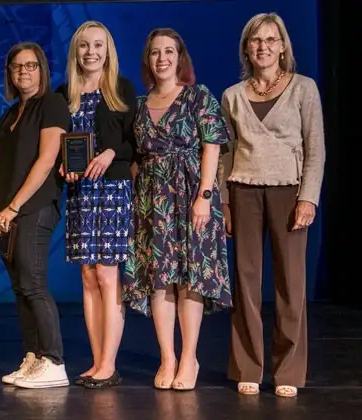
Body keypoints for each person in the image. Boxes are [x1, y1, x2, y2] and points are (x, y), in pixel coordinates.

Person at [220, 12, 325, 398]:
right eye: (255, 40)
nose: (262, 46)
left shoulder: (303, 89)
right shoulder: (232, 95)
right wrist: (225, 204)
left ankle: (289, 372)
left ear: (282, 46)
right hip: (244, 190)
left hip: (288, 192)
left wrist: (308, 197)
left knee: (290, 285)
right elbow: (224, 156)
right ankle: (249, 365)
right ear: (247, 48)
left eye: (270, 39)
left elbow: (316, 148)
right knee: (245, 283)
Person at [122, 28, 231, 391]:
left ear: (179, 57)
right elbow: (135, 157)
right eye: (155, 52)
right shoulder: (138, 104)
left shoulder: (198, 96)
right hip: (152, 201)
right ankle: (167, 356)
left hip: (190, 196)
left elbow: (212, 146)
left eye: (169, 51)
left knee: (189, 279)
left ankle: (189, 358)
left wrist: (204, 195)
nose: (162, 58)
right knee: (159, 280)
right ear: (148, 60)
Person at [55, 21, 137, 389]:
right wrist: (63, 165)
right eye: (85, 45)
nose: (91, 52)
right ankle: (95, 361)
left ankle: (109, 364)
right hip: (81, 194)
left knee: (107, 275)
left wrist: (108, 152)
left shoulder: (121, 89)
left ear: (109, 50)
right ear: (76, 51)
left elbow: (136, 143)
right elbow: (60, 143)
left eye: (98, 45)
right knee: (87, 277)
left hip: (113, 191)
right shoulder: (64, 94)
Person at [0, 42, 69, 389]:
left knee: (34, 284)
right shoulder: (9, 113)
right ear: (10, 73)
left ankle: (54, 361)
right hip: (4, 214)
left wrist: (13, 207)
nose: (24, 71)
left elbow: (47, 160)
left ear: (42, 70)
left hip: (33, 210)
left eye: (31, 65)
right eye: (17, 66)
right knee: (21, 288)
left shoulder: (51, 104)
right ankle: (34, 357)